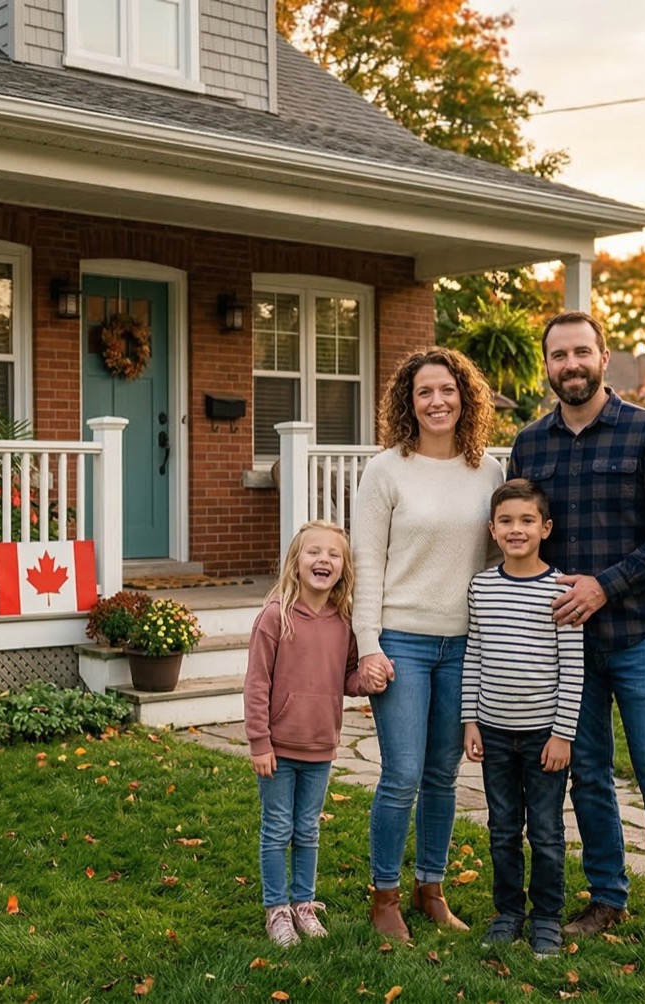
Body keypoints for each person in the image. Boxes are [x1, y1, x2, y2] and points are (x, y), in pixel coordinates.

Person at [509, 310, 645, 964]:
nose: (570, 364)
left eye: (580, 352)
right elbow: (521, 534)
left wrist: (607, 584)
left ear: (603, 356)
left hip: (640, 633)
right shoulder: (530, 445)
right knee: (588, 775)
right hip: (569, 647)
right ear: (548, 365)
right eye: (558, 355)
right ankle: (606, 897)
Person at [352, 346, 504, 940]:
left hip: (464, 647)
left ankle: (430, 889)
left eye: (447, 390)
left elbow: (494, 564)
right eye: (424, 392)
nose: (437, 401)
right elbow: (367, 562)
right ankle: (384, 895)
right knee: (402, 773)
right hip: (402, 643)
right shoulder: (385, 470)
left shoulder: (488, 471)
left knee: (443, 775)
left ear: (464, 397)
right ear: (407, 403)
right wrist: (369, 645)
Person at [461, 479, 584, 958]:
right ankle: (509, 912)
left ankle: (547, 917)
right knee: (503, 828)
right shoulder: (481, 587)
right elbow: (474, 655)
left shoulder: (561, 590)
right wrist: (470, 721)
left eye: (527, 521)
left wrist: (562, 734)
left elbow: (572, 669)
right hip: (493, 732)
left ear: (545, 528)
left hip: (543, 739)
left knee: (548, 832)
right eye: (507, 521)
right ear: (492, 530)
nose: (517, 530)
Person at [245, 520, 371, 946]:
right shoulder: (275, 616)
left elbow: (347, 677)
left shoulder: (344, 621)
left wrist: (367, 682)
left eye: (334, 554)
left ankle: (304, 904)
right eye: (314, 552)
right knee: (277, 828)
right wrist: (259, 742)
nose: (324, 560)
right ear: (295, 563)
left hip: (321, 745)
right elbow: (257, 684)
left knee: (308, 828)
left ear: (344, 567)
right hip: (278, 748)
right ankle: (277, 909)